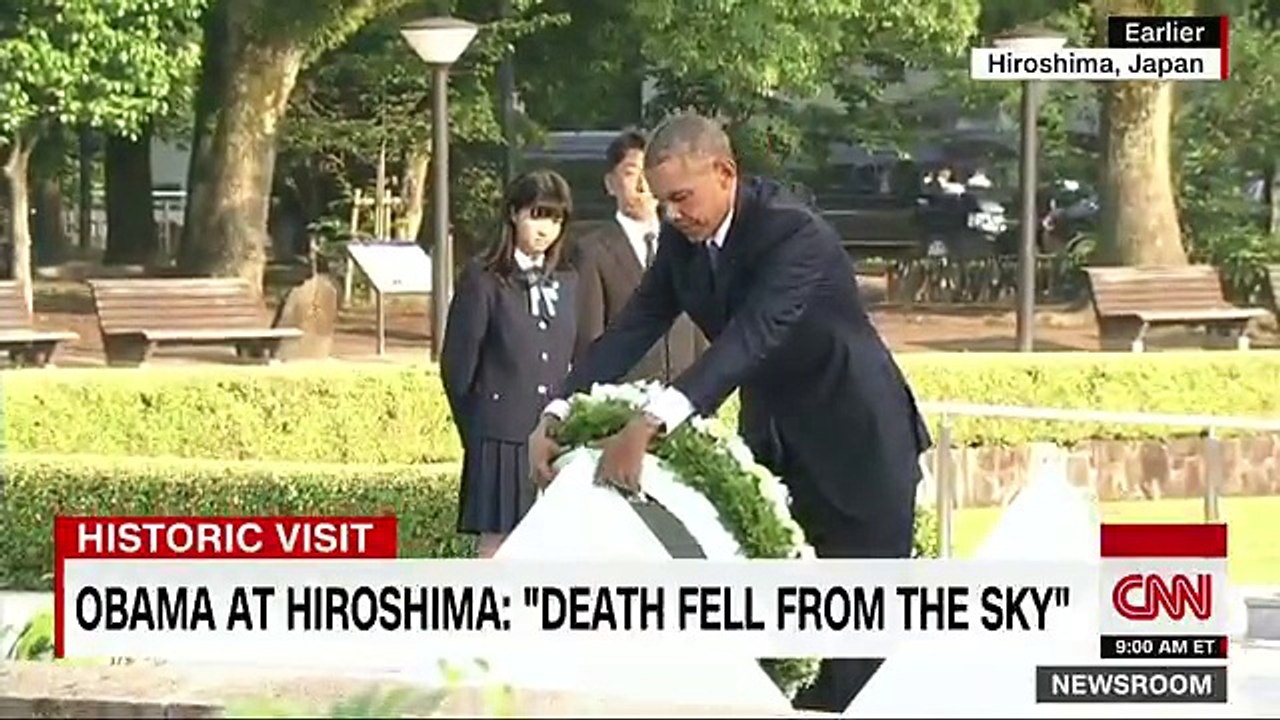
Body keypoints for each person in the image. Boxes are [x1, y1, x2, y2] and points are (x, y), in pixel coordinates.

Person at [527, 113, 932, 712]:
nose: (672, 214)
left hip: (860, 447)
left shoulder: (795, 234)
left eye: (682, 198)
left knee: (856, 648)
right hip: (773, 446)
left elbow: (751, 336)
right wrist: (558, 410)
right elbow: (633, 327)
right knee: (775, 633)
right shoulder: (681, 242)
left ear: (725, 173)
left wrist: (650, 423)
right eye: (663, 202)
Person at [440, 169, 579, 559]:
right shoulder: (484, 278)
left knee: (554, 547)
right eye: (537, 214)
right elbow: (457, 366)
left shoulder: (567, 279)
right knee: (499, 546)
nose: (545, 229)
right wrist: (481, 431)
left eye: (555, 219)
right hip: (499, 436)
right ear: (514, 213)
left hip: (554, 434)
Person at [569, 128, 708, 382]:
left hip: (685, 398)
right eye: (631, 174)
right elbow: (590, 337)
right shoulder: (593, 251)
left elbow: (701, 326)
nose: (643, 185)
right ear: (610, 184)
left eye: (649, 173)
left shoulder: (688, 241)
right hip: (626, 401)